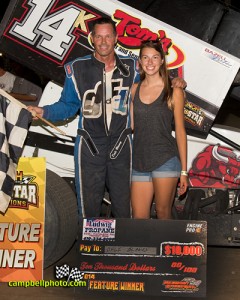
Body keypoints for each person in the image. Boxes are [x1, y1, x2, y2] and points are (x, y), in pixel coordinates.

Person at [28, 17, 186, 218]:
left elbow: (153, 76)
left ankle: (124, 247)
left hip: (122, 144)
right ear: (92, 38)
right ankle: (89, 246)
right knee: (88, 204)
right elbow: (68, 106)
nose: (103, 42)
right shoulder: (76, 69)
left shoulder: (132, 67)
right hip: (90, 144)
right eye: (99, 36)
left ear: (116, 38)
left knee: (124, 206)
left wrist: (175, 81)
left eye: (108, 36)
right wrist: (44, 112)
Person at [130, 40, 188, 220]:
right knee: (139, 218)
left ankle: (167, 248)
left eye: (155, 57)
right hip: (139, 161)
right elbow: (131, 127)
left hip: (165, 159)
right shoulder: (133, 90)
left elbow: (180, 131)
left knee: (163, 212)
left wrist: (184, 172)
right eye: (145, 58)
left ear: (162, 60)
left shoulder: (174, 91)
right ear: (139, 62)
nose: (150, 62)